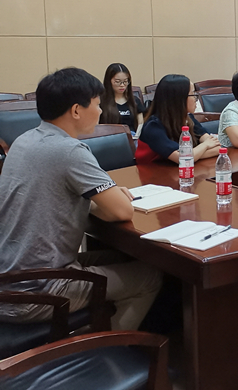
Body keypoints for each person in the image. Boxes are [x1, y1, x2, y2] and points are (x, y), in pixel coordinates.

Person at [0, 68, 162, 331]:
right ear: (76, 110)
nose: (100, 111)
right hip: (40, 291)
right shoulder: (69, 150)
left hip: (11, 279)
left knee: (122, 258)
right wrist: (107, 198)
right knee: (150, 276)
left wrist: (94, 197)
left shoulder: (22, 141)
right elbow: (122, 211)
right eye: (97, 104)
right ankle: (104, 348)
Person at [136, 74, 220, 163]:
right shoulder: (153, 126)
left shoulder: (187, 118)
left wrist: (193, 155)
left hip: (178, 168)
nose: (196, 99)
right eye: (193, 94)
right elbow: (181, 158)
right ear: (179, 99)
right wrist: (205, 145)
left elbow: (217, 146)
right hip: (152, 170)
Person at [99, 62, 145, 136]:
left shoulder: (134, 101)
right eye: (117, 82)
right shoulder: (100, 102)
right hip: (109, 138)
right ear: (109, 81)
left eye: (125, 81)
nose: (122, 85)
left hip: (132, 137)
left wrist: (137, 136)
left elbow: (140, 124)